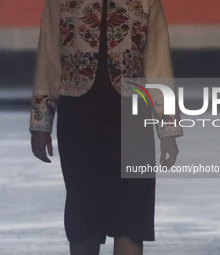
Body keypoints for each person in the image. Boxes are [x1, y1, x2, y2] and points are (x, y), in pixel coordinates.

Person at [30, 0, 183, 254]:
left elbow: (157, 64)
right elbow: (48, 59)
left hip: (133, 116)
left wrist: (167, 129)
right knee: (84, 219)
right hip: (79, 117)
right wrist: (41, 124)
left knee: (131, 220)